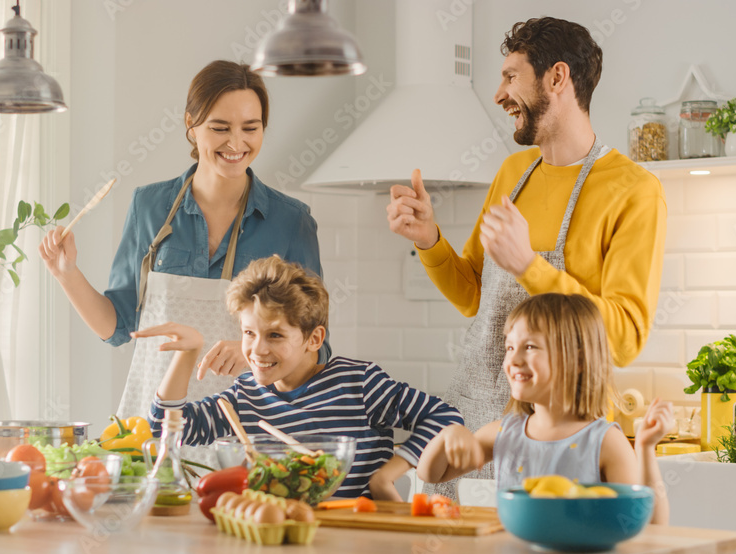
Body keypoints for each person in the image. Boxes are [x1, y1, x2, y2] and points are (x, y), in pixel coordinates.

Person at [386, 17, 666, 493]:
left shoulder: (634, 191)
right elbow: (476, 296)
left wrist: (529, 266)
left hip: (562, 438)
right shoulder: (514, 172)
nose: (499, 94)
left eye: (510, 76)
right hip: (475, 423)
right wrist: (429, 239)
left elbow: (622, 339)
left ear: (557, 78)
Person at [38, 61, 328, 435]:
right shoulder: (150, 206)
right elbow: (119, 326)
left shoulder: (292, 221)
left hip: (251, 430)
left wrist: (256, 353)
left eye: (250, 128)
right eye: (219, 128)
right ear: (191, 125)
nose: (236, 143)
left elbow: (317, 346)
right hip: (158, 421)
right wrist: (67, 274)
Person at [137, 256, 464, 500]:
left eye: (275, 335)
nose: (256, 350)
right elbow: (163, 431)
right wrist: (187, 354)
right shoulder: (244, 396)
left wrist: (386, 476)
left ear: (314, 338)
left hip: (357, 536)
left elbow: (445, 417)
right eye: (248, 333)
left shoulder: (358, 384)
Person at [416, 293, 672, 524]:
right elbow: (431, 474)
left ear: (579, 360)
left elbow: (649, 525)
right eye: (509, 347)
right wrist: (449, 434)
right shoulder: (503, 433)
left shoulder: (604, 442)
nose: (513, 360)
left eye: (530, 347)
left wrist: (645, 449)